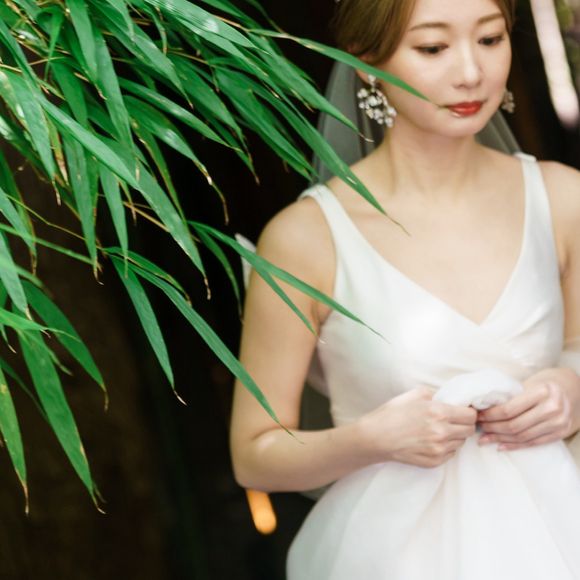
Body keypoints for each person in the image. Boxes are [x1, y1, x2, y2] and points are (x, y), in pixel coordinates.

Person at [230, 0, 580, 577]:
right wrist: (372, 439)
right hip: (392, 556)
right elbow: (253, 455)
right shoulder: (307, 239)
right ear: (367, 63)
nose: (470, 72)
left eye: (490, 39)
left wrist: (571, 387)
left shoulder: (561, 198)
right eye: (433, 47)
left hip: (558, 532)